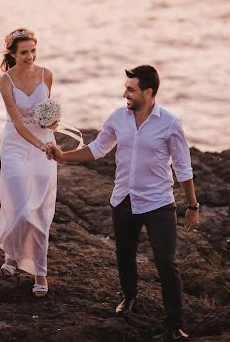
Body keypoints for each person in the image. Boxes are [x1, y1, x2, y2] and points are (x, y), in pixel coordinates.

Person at [47, 65, 199, 340]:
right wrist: (62, 156)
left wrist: (192, 206)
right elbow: (97, 149)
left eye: (131, 89)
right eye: (126, 88)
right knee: (125, 254)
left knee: (166, 262)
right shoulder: (118, 117)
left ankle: (174, 324)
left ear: (148, 92)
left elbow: (183, 168)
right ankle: (129, 297)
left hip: (158, 203)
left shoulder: (170, 124)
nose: (125, 93)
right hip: (124, 199)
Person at [0, 28, 56, 297]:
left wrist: (53, 124)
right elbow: (18, 123)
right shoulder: (5, 81)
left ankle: (39, 272)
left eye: (33, 50)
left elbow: (48, 112)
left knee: (40, 209)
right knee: (21, 206)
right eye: (24, 52)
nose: (30, 56)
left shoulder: (46, 75)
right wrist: (39, 143)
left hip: (45, 146)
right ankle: (11, 254)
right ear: (12, 53)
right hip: (16, 146)